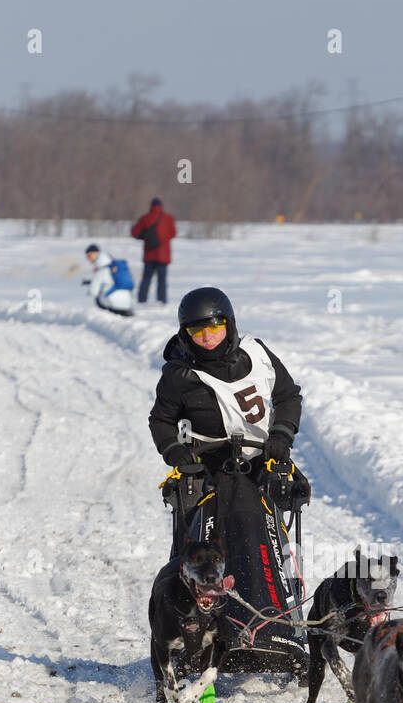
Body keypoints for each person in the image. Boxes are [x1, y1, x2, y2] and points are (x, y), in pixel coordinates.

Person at [149, 287, 303, 551]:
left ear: (229, 324)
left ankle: (283, 580)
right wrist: (174, 451)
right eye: (196, 331)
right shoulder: (179, 374)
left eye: (214, 326)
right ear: (185, 334)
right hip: (205, 467)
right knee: (202, 535)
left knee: (273, 523)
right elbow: (161, 420)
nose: (207, 337)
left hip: (262, 459)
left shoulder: (257, 353)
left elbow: (288, 396)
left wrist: (281, 434)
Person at [131, 197, 177, 305]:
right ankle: (162, 301)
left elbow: (134, 232)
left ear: (151, 206)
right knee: (162, 280)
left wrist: (146, 236)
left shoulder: (145, 218)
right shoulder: (168, 218)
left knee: (146, 279)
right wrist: (163, 238)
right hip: (163, 255)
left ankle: (142, 300)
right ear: (161, 206)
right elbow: (173, 233)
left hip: (149, 254)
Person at [83, 244, 134, 316]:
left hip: (113, 303)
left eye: (89, 255)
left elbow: (94, 291)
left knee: (98, 296)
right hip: (128, 302)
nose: (88, 258)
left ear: (96, 253)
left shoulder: (102, 269)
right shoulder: (113, 266)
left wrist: (91, 288)